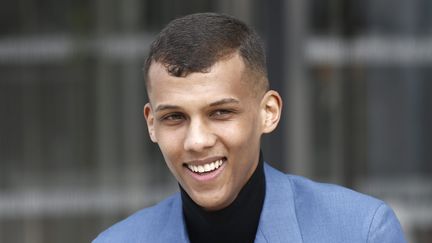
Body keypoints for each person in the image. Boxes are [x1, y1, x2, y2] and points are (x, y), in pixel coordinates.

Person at [93, 13, 406, 243]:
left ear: (268, 113)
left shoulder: (360, 231)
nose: (197, 141)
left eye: (220, 112)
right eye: (174, 117)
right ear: (152, 124)